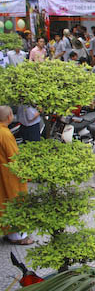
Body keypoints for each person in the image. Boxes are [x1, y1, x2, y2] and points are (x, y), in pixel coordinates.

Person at [0, 105, 32, 245]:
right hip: (9, 175)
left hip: (3, 174)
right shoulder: (5, 134)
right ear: (9, 117)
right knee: (15, 202)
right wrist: (26, 173)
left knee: (4, 203)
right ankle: (18, 236)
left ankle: (9, 232)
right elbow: (14, 157)